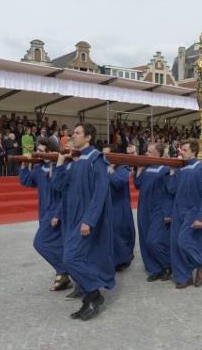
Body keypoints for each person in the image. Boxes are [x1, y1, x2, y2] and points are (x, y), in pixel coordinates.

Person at [56, 123, 115, 321]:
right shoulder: (77, 159)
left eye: (78, 132)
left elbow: (100, 192)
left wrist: (89, 220)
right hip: (72, 218)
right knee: (73, 258)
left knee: (70, 258)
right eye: (74, 132)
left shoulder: (96, 158)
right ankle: (90, 296)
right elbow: (58, 186)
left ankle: (94, 294)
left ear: (88, 137)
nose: (74, 135)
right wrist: (60, 163)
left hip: (85, 219)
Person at [20, 138, 72, 292]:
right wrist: (24, 165)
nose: (39, 154)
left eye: (42, 151)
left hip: (57, 211)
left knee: (40, 242)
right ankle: (62, 276)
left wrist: (57, 214)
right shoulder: (39, 167)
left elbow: (64, 192)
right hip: (43, 212)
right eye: (38, 151)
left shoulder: (61, 166)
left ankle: (63, 270)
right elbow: (27, 181)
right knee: (56, 243)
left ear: (51, 152)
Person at [166, 140, 202, 289]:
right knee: (175, 245)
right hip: (178, 211)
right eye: (181, 150)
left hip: (193, 211)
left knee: (183, 241)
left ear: (194, 152)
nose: (181, 152)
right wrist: (172, 172)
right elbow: (171, 189)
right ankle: (184, 277)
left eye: (185, 150)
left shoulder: (201, 168)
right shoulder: (181, 170)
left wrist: (201, 217)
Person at [133, 142, 173, 282]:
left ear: (158, 153)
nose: (147, 154)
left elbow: (171, 191)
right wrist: (139, 169)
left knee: (153, 240)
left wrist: (169, 212)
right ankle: (155, 269)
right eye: (147, 152)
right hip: (144, 207)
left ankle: (168, 265)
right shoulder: (147, 167)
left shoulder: (166, 168)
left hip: (159, 208)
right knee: (144, 238)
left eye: (150, 152)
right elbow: (138, 184)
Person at [103, 144, 135, 272]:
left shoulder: (123, 168)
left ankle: (125, 257)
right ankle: (114, 259)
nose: (104, 157)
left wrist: (110, 170)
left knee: (120, 232)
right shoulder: (103, 167)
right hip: (107, 204)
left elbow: (118, 182)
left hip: (119, 205)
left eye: (107, 154)